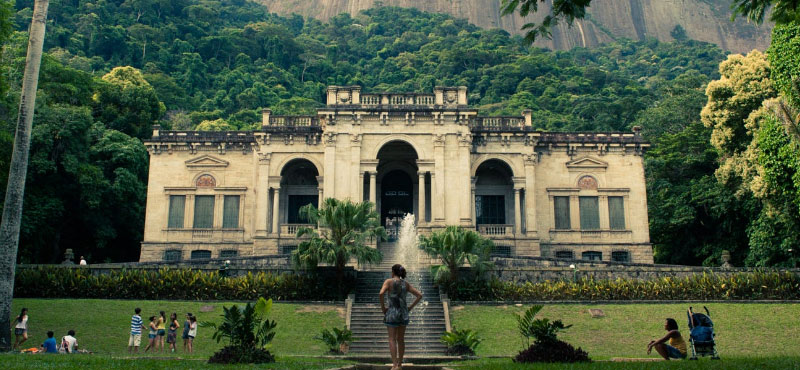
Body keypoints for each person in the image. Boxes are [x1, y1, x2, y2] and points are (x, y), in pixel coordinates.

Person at [379, 264, 423, 370]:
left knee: (392, 339)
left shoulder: (388, 282)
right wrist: (409, 308)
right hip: (403, 314)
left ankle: (394, 365)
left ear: (393, 272)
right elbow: (419, 295)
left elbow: (381, 294)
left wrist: (383, 308)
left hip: (392, 313)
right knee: (401, 339)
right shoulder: (405, 284)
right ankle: (400, 364)